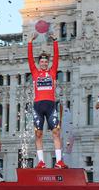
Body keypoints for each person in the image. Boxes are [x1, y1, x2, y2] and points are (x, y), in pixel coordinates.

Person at [28, 32, 67, 169]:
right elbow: (30, 59)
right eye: (42, 62)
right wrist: (30, 42)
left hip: (51, 105)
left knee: (56, 132)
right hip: (38, 106)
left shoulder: (52, 71)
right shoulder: (35, 72)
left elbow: (56, 58)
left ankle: (59, 161)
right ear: (39, 64)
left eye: (46, 62)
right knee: (38, 133)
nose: (44, 64)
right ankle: (41, 162)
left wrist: (55, 41)